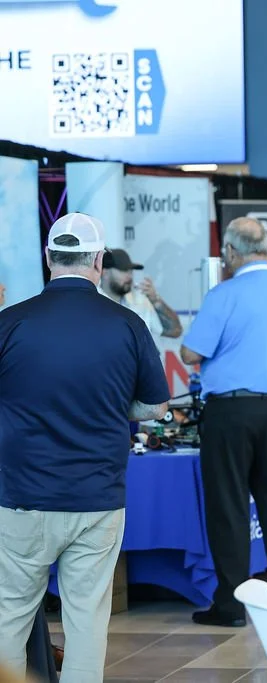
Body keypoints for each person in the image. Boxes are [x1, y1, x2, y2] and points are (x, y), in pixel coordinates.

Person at [0, 213, 169, 681]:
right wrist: (114, 404)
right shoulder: (128, 324)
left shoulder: (9, 323)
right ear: (98, 261)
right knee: (87, 622)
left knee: (8, 619)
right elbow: (156, 408)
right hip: (97, 497)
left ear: (48, 259)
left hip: (20, 498)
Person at [180, 217, 267, 626]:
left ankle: (231, 605)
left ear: (232, 252)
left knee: (228, 507)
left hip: (230, 412)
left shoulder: (224, 295)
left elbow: (188, 354)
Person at [99, 248, 182, 339]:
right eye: (123, 270)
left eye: (130, 271)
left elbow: (175, 331)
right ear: (105, 273)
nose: (129, 276)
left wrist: (155, 300)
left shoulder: (140, 302)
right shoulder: (91, 303)